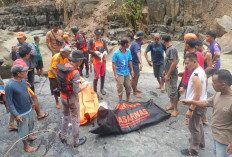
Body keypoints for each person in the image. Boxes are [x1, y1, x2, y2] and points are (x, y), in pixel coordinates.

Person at [180, 69, 232, 157]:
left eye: (214, 82)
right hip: (216, 136)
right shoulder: (218, 94)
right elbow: (206, 103)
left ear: (223, 84)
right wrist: (189, 101)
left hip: (225, 141)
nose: (212, 84)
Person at [179, 53, 207, 156]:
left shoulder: (196, 75)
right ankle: (201, 143)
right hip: (202, 103)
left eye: (187, 63)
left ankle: (194, 150)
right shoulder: (200, 71)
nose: (186, 66)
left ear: (194, 61)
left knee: (193, 127)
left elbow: (197, 95)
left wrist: (191, 109)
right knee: (198, 124)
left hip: (197, 105)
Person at [58, 50, 87, 147]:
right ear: (78, 61)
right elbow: (75, 90)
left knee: (65, 116)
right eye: (81, 60)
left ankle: (63, 136)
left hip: (62, 96)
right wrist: (82, 87)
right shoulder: (75, 72)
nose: (82, 62)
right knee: (75, 119)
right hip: (72, 99)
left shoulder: (65, 66)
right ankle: (76, 142)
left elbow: (67, 81)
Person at [5, 64, 37, 153]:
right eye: (24, 71)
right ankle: (26, 146)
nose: (26, 72)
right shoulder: (9, 86)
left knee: (30, 125)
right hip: (21, 112)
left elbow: (26, 93)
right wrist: (16, 114)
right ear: (18, 73)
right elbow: (10, 102)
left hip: (29, 109)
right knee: (23, 129)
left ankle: (29, 136)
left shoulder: (23, 81)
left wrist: (31, 102)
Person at [13, 45, 49, 120]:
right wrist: (25, 83)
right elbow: (22, 76)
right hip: (21, 84)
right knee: (34, 98)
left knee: (14, 102)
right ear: (26, 55)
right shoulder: (24, 64)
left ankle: (11, 123)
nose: (29, 55)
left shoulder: (16, 61)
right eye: (29, 53)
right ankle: (39, 114)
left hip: (15, 83)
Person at [112, 38, 135, 102]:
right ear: (125, 44)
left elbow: (130, 61)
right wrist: (115, 75)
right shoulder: (116, 53)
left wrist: (132, 70)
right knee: (120, 87)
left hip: (126, 72)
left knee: (128, 86)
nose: (129, 44)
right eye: (128, 43)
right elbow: (113, 64)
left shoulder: (128, 51)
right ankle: (120, 100)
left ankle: (128, 99)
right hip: (119, 73)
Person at [162, 34, 179, 117]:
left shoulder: (171, 49)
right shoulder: (169, 48)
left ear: (164, 41)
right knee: (170, 90)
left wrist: (168, 75)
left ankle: (176, 109)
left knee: (173, 91)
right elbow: (168, 62)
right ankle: (172, 105)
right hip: (168, 73)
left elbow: (173, 63)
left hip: (172, 74)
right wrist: (165, 71)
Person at [130, 31, 151, 98]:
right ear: (141, 37)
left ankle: (135, 88)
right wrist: (141, 63)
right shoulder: (136, 45)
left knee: (137, 75)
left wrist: (147, 41)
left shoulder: (137, 41)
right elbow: (138, 54)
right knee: (134, 77)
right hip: (133, 63)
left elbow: (142, 42)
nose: (144, 37)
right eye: (143, 36)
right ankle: (134, 92)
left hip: (135, 62)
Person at [88, 27, 108, 98]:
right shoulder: (92, 41)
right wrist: (94, 52)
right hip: (96, 61)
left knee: (103, 74)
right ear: (95, 34)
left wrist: (105, 52)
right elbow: (89, 50)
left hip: (103, 60)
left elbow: (106, 49)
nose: (98, 36)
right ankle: (95, 91)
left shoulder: (103, 41)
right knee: (96, 76)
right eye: (97, 34)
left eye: (99, 34)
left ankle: (101, 88)